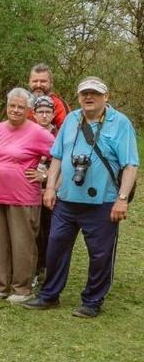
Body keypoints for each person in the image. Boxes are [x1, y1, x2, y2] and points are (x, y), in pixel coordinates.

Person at [25, 77, 138, 318]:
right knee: (55, 247)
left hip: (103, 203)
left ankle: (93, 300)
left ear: (105, 97)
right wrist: (51, 188)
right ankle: (49, 295)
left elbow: (130, 165)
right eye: (84, 93)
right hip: (66, 200)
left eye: (94, 94)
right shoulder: (71, 119)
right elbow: (57, 156)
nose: (89, 97)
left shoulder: (120, 123)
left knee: (100, 254)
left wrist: (122, 199)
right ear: (78, 97)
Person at [0, 88, 54, 304]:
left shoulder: (38, 132)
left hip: (23, 197)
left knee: (23, 243)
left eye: (21, 107)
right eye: (12, 105)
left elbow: (61, 157)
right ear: (7, 106)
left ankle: (22, 288)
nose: (16, 110)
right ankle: (1, 285)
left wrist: (45, 175)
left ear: (29, 110)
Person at [28, 95, 58, 281]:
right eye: (41, 112)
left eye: (48, 112)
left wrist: (46, 177)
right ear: (34, 114)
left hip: (50, 188)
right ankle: (30, 265)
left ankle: (45, 266)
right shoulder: (28, 132)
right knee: (30, 228)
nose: (44, 115)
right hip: (27, 187)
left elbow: (62, 163)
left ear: (53, 114)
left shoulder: (59, 135)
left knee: (47, 229)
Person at [27, 63, 69, 129]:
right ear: (29, 82)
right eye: (35, 81)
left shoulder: (57, 103)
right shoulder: (21, 102)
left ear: (51, 83)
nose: (38, 85)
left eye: (43, 81)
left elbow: (65, 130)